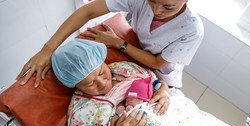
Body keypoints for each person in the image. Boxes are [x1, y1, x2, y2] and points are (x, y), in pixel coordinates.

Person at [17, 0, 204, 89]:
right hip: (135, 53)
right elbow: (88, 12)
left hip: (161, 73)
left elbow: (156, 63)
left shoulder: (191, 30)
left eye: (168, 6)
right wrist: (48, 50)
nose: (157, 10)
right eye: (152, 1)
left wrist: (118, 43)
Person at [51, 38, 170, 126]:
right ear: (75, 85)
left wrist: (164, 90)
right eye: (89, 84)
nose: (102, 83)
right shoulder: (80, 114)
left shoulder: (123, 69)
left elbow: (154, 80)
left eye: (101, 72)